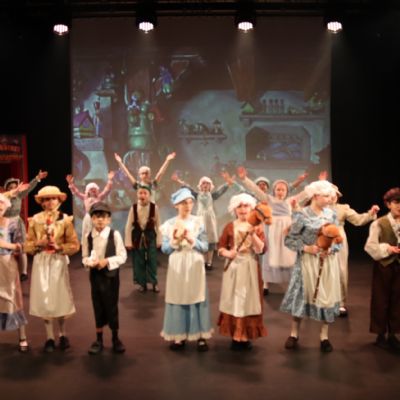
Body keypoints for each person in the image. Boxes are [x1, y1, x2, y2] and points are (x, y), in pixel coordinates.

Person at [280, 180, 341, 353]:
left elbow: (338, 239)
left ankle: (324, 336)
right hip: (307, 262)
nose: (330, 199)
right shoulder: (302, 215)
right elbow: (289, 239)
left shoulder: (331, 214)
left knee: (326, 297)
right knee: (302, 296)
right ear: (315, 196)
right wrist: (306, 248)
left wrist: (332, 250)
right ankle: (294, 333)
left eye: (330, 196)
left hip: (326, 262)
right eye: (326, 196)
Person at [25, 186, 80, 353]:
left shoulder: (65, 219)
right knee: (45, 299)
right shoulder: (35, 220)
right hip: (41, 262)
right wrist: (38, 243)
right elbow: (27, 245)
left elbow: (74, 245)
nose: (50, 202)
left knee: (60, 297)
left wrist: (59, 247)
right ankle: (49, 337)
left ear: (59, 200)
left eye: (53, 198)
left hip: (57, 261)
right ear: (42, 202)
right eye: (47, 199)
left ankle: (63, 334)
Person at [237, 167, 307, 294]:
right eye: (278, 189)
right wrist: (244, 179)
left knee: (289, 254)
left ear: (287, 191)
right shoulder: (268, 199)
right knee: (268, 253)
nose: (280, 191)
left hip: (286, 231)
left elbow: (304, 194)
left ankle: (292, 283)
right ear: (274, 190)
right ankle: (266, 284)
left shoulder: (290, 201)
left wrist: (320, 185)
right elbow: (256, 190)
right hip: (272, 230)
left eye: (283, 189)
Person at [160, 187, 212, 351]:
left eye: (190, 202)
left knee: (197, 296)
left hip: (194, 262)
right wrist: (175, 241)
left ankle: (200, 336)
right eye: (183, 203)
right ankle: (179, 335)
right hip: (177, 264)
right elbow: (165, 249)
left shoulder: (198, 222)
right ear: (176, 205)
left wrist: (192, 240)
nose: (188, 206)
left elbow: (205, 246)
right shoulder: (169, 225)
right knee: (178, 296)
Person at [218, 193, 267, 350]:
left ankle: (245, 334)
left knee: (248, 300)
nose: (243, 209)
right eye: (239, 206)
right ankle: (235, 334)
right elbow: (220, 247)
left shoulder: (257, 227)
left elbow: (261, 250)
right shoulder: (230, 226)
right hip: (234, 268)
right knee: (234, 299)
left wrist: (253, 235)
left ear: (251, 208)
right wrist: (228, 253)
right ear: (234, 209)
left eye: (246, 206)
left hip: (250, 266)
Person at [82, 202, 127, 355]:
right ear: (92, 219)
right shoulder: (88, 236)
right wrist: (89, 262)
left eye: (103, 217)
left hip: (111, 276)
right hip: (95, 275)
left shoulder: (114, 235)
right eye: (96, 217)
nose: (100, 220)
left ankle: (115, 338)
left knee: (111, 305)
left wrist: (106, 261)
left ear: (109, 219)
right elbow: (84, 256)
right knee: (97, 304)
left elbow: (122, 256)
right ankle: (99, 338)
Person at [329, 186, 379, 316]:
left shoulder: (343, 208)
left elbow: (358, 220)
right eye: (329, 193)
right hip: (321, 238)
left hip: (338, 239)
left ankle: (340, 302)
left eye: (335, 194)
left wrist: (371, 213)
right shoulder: (317, 208)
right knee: (323, 270)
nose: (332, 196)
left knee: (341, 270)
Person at [171, 173, 232, 270]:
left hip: (210, 220)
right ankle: (202, 261)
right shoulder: (197, 195)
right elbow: (188, 188)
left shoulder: (212, 196)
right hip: (200, 219)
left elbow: (220, 191)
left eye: (207, 184)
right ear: (200, 185)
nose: (205, 185)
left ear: (210, 186)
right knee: (201, 240)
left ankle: (209, 262)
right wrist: (178, 180)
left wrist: (228, 183)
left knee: (211, 241)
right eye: (203, 183)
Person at [364, 187, 400, 351]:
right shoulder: (379, 223)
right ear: (388, 204)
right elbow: (370, 246)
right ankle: (380, 334)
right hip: (384, 265)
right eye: (396, 202)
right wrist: (387, 249)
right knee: (381, 299)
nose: (399, 206)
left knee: (397, 300)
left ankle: (393, 334)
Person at [3, 170, 48, 281]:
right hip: (5, 223)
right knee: (5, 249)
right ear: (7, 189)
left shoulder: (19, 195)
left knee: (22, 247)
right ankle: (6, 272)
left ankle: (23, 272)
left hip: (17, 222)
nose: (14, 189)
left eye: (15, 187)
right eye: (11, 187)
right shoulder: (4, 198)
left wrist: (37, 178)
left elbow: (29, 187)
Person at [0, 193, 29, 352]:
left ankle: (22, 337)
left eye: (1, 203)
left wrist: (8, 246)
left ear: (6, 206)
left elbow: (20, 246)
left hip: (7, 265)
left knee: (14, 298)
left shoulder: (13, 223)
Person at [124, 185, 161, 292]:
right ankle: (142, 283)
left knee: (152, 260)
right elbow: (128, 225)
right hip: (137, 237)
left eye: (145, 193)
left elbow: (158, 225)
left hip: (150, 236)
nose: (142, 195)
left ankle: (154, 283)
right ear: (137, 195)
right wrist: (128, 242)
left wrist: (159, 240)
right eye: (140, 193)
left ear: (149, 195)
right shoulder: (134, 208)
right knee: (139, 260)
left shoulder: (154, 207)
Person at [66, 171, 115, 243]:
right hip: (88, 217)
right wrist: (71, 183)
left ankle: (98, 244)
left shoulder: (99, 197)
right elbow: (76, 192)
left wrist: (110, 180)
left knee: (97, 232)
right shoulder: (85, 198)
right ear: (88, 191)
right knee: (87, 232)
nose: (93, 190)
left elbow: (106, 190)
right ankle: (86, 245)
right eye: (91, 189)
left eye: (94, 189)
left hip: (97, 217)